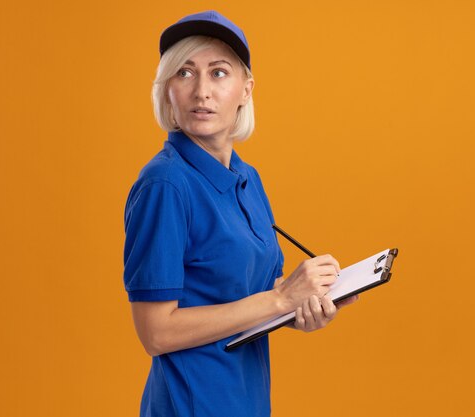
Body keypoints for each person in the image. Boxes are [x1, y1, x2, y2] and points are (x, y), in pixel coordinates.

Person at [122, 10, 358, 417]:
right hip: (190, 405)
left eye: (218, 73)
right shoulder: (165, 185)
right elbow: (155, 333)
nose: (201, 92)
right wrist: (281, 297)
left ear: (245, 90)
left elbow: (256, 299)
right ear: (167, 92)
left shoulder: (247, 178)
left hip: (245, 400)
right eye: (184, 73)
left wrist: (305, 304)